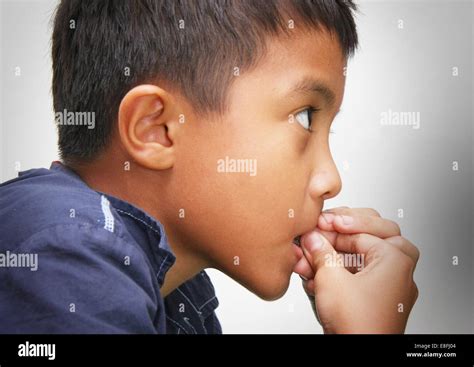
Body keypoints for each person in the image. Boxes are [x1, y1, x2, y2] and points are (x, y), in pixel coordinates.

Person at [0, 0, 418, 334]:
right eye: (306, 117)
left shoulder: (179, 292)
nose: (332, 180)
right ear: (157, 129)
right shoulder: (65, 252)